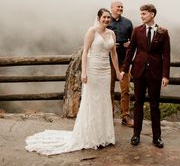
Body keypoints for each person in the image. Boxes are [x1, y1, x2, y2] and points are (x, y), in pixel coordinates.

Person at [25, 8, 123, 155]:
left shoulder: (111, 34)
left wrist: (117, 71)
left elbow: (114, 54)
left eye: (109, 18)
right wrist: (84, 72)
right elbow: (85, 54)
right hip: (93, 69)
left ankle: (104, 135)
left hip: (105, 71)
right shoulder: (91, 31)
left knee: (103, 100)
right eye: (104, 17)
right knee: (92, 101)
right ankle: (90, 135)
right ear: (98, 18)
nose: (107, 20)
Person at [121, 4, 171, 148]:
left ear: (152, 14)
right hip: (139, 72)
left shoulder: (163, 32)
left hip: (155, 73)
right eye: (141, 14)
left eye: (143, 14)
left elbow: (166, 56)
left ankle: (157, 137)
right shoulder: (137, 30)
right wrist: (124, 69)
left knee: (155, 105)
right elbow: (130, 51)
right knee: (138, 104)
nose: (141, 16)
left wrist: (165, 75)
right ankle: (136, 135)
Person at [108, 1, 134, 127]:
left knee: (126, 90)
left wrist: (129, 45)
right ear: (111, 8)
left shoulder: (128, 23)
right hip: (109, 62)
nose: (120, 8)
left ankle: (125, 116)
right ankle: (109, 116)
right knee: (109, 90)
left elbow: (133, 41)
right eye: (118, 6)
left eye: (122, 7)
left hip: (124, 61)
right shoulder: (106, 22)